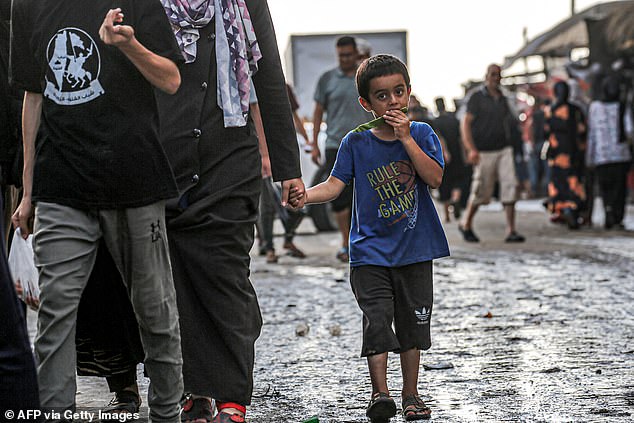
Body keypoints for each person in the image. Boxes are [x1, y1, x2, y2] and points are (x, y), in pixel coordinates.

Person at [10, 2, 185, 421]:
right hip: (61, 185)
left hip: (134, 182)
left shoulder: (138, 4)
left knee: (155, 311)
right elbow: (34, 96)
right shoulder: (28, 5)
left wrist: (129, 46)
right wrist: (29, 191)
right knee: (55, 314)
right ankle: (55, 414)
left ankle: (166, 413)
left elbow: (172, 79)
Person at [156, 1, 305, 421]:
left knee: (226, 274)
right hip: (166, 160)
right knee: (176, 280)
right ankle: (194, 391)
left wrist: (287, 169)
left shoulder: (246, 4)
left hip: (230, 160)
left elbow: (269, 76)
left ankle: (232, 396)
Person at [290, 54, 449, 422]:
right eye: (382, 96)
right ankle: (381, 394)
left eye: (399, 92)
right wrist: (305, 196)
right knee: (376, 321)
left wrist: (406, 138)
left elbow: (435, 178)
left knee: (413, 325)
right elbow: (334, 185)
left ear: (409, 92)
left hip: (414, 250)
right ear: (366, 103)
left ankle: (411, 394)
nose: (393, 101)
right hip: (369, 253)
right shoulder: (355, 142)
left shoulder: (422, 133)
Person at [311, 35, 372, 262]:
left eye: (349, 55)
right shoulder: (327, 79)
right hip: (336, 145)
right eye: (341, 55)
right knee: (339, 197)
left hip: (368, 144)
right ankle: (345, 243)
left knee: (368, 194)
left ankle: (366, 241)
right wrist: (314, 143)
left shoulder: (365, 77)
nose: (345, 59)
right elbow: (318, 111)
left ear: (356, 53)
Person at [459, 64, 525, 243]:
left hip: (504, 148)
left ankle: (511, 230)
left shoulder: (503, 98)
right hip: (484, 151)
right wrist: (471, 149)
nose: (496, 78)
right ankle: (466, 223)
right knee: (481, 190)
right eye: (493, 75)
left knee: (510, 187)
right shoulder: (477, 97)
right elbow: (465, 124)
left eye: (499, 75)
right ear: (487, 76)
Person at [586, 74, 632, 229]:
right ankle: (617, 219)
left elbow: (591, 134)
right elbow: (629, 130)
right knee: (619, 191)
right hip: (620, 155)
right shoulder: (621, 106)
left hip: (601, 156)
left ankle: (609, 214)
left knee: (605, 189)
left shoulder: (595, 107)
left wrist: (590, 157)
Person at [544, 80, 588, 229]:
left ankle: (563, 211)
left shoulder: (550, 110)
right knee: (573, 183)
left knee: (559, 184)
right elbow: (583, 132)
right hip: (573, 154)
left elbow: (546, 133)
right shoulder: (576, 110)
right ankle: (572, 211)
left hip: (558, 155)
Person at [433, 97, 468, 222]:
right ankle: (456, 199)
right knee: (458, 180)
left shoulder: (434, 122)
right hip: (457, 154)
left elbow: (437, 138)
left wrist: (444, 152)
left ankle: (447, 216)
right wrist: (465, 153)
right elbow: (462, 138)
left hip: (442, 156)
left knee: (445, 184)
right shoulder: (454, 120)